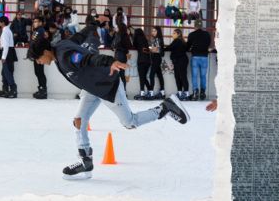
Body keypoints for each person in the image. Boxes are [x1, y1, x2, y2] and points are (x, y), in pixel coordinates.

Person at [26, 25, 190, 180]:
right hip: (93, 88)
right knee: (79, 121)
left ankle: (165, 108)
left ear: (45, 51)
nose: (38, 62)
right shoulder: (61, 47)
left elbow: (88, 59)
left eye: (38, 58)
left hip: (107, 85)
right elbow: (79, 36)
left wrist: (110, 62)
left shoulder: (65, 56)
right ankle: (86, 162)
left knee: (130, 122)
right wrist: (94, 25)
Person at [187, 19, 211, 101]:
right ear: (202, 26)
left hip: (195, 57)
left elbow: (187, 46)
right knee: (203, 76)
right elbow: (208, 43)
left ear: (195, 26)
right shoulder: (207, 34)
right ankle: (203, 92)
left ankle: (195, 93)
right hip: (204, 57)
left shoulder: (191, 34)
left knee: (194, 75)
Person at [0, 16, 18, 98]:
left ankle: (13, 89)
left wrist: (3, 57)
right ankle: (5, 89)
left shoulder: (5, 32)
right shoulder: (7, 30)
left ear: (3, 23)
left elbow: (5, 46)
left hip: (7, 53)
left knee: (7, 71)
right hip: (9, 52)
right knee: (5, 72)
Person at [168, 29, 190, 101]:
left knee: (182, 76)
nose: (172, 34)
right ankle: (180, 93)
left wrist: (160, 48)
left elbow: (169, 48)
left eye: (174, 33)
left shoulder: (177, 41)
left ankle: (186, 94)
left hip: (181, 61)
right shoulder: (178, 41)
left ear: (178, 34)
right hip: (178, 61)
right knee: (178, 76)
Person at [30, 17, 49, 99]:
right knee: (38, 72)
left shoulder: (40, 31)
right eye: (34, 21)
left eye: (36, 21)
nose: (35, 23)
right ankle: (41, 88)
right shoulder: (37, 31)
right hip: (37, 54)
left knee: (40, 72)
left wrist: (38, 56)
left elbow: (40, 44)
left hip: (39, 55)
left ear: (41, 22)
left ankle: (43, 90)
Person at [133, 28, 151, 100]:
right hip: (148, 61)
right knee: (144, 77)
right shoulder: (145, 39)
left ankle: (142, 93)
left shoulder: (137, 39)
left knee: (142, 77)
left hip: (141, 60)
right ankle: (150, 90)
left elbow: (134, 46)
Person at [113, 23, 132, 90]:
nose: (116, 28)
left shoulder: (118, 35)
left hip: (118, 56)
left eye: (117, 27)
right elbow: (130, 45)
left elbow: (114, 45)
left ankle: (118, 91)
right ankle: (123, 91)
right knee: (122, 74)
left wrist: (116, 48)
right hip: (123, 56)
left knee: (117, 74)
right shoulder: (126, 35)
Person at [148, 26, 165, 100]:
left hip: (156, 58)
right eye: (152, 31)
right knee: (159, 75)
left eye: (155, 31)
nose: (153, 32)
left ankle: (151, 92)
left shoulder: (157, 39)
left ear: (158, 32)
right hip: (156, 58)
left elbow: (156, 50)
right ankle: (162, 92)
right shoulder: (156, 39)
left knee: (151, 75)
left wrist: (149, 48)